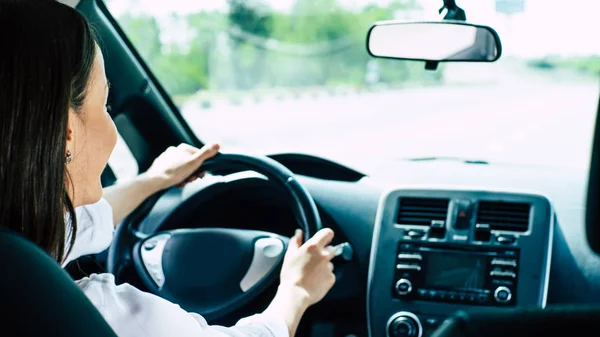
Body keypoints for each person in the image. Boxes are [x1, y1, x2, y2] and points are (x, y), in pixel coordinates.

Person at [0, 1, 337, 336]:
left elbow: (71, 226)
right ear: (68, 133)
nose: (112, 127)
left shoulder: (17, 256)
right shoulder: (104, 315)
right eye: (104, 105)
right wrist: (296, 290)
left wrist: (155, 180)